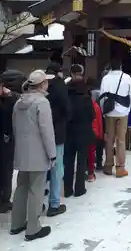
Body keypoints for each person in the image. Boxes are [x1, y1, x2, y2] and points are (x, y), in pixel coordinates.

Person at [10, 70, 56, 241]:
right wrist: (52, 154)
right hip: (38, 153)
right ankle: (33, 228)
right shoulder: (42, 103)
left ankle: (16, 223)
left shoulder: (18, 103)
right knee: (36, 190)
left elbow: (15, 127)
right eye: (46, 81)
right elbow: (47, 131)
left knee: (21, 187)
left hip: (21, 152)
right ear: (42, 84)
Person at [100, 59, 131, 177]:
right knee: (121, 140)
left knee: (109, 140)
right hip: (123, 112)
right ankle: (120, 168)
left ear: (110, 67)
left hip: (109, 113)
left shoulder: (105, 78)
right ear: (121, 67)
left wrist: (102, 111)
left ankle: (108, 166)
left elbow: (102, 96)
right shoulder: (126, 77)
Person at [45, 62, 71, 217]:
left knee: (41, 168)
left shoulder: (36, 83)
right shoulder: (60, 85)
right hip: (57, 132)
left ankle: (36, 203)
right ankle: (54, 203)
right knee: (56, 167)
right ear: (58, 72)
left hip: (38, 133)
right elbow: (67, 109)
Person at [64, 72, 95, 197]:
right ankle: (79, 188)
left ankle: (67, 189)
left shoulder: (67, 98)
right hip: (83, 133)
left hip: (69, 133)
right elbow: (92, 115)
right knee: (82, 162)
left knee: (68, 162)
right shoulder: (86, 99)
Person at [0, 70, 25, 213]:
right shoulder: (12, 100)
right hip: (6, 140)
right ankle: (4, 200)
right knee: (6, 170)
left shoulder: (12, 99)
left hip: (6, 139)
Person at [87, 92, 103, 181]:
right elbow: (99, 121)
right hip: (93, 132)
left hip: (84, 132)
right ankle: (90, 174)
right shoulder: (96, 106)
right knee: (91, 154)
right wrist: (100, 134)